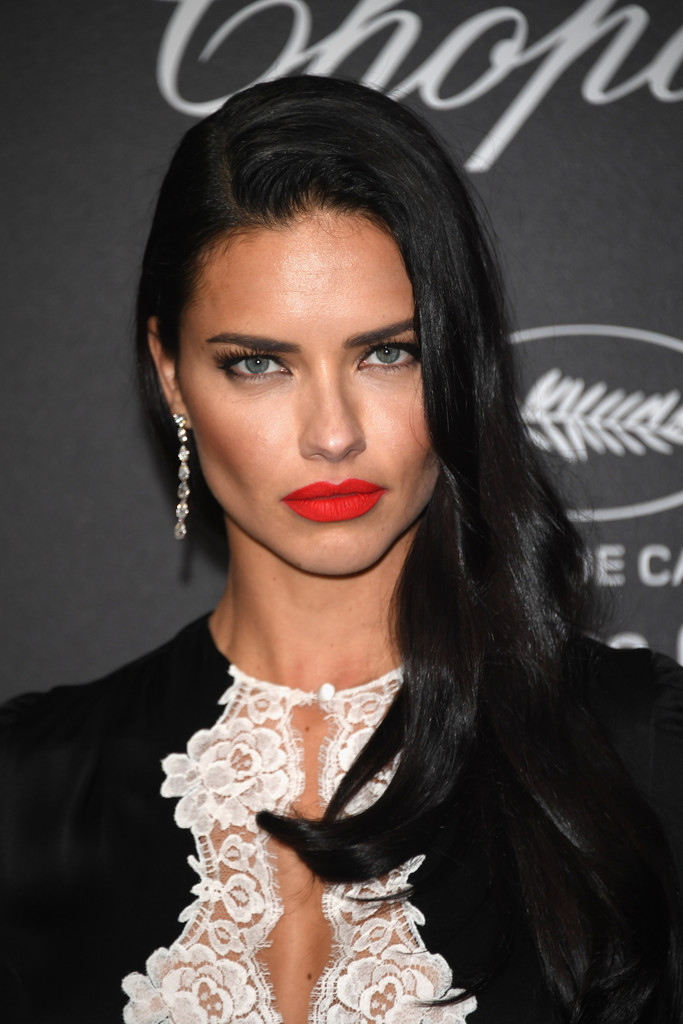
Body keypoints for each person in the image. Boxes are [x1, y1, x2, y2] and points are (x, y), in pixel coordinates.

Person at [0, 76, 681, 1024]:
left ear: (458, 357)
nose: (332, 434)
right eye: (258, 363)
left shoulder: (636, 751)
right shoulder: (30, 787)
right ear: (172, 375)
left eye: (387, 353)